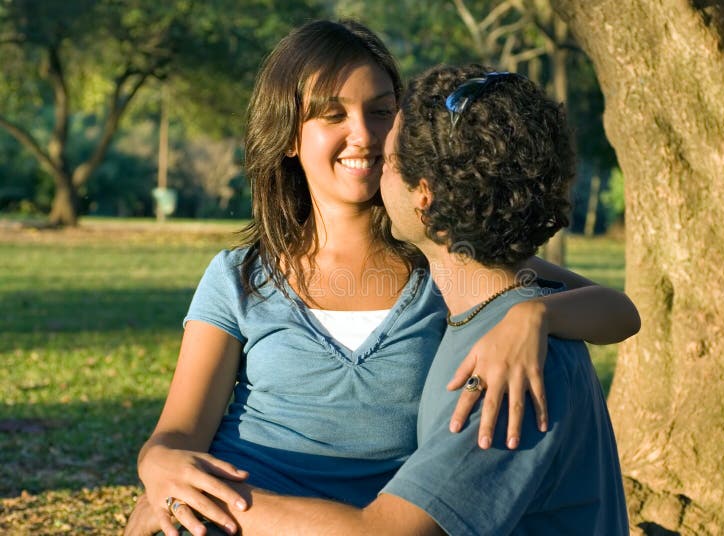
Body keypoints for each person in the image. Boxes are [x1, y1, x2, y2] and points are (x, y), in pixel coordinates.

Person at [125, 21, 638, 536]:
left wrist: (538, 314)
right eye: (333, 114)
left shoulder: (443, 258)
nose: (365, 135)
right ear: (286, 137)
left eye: (381, 111)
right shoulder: (240, 276)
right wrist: (158, 468)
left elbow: (617, 310)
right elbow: (177, 432)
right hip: (240, 509)